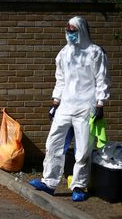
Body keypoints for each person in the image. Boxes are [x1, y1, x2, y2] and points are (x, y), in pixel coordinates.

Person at [29, 16, 111, 202]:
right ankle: (49, 181)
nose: (70, 34)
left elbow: (102, 79)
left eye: (73, 30)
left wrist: (100, 103)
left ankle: (79, 186)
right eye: (67, 30)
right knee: (53, 143)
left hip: (86, 105)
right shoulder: (64, 54)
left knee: (83, 149)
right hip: (66, 105)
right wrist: (55, 102)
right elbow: (61, 80)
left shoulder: (94, 53)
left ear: (81, 30)